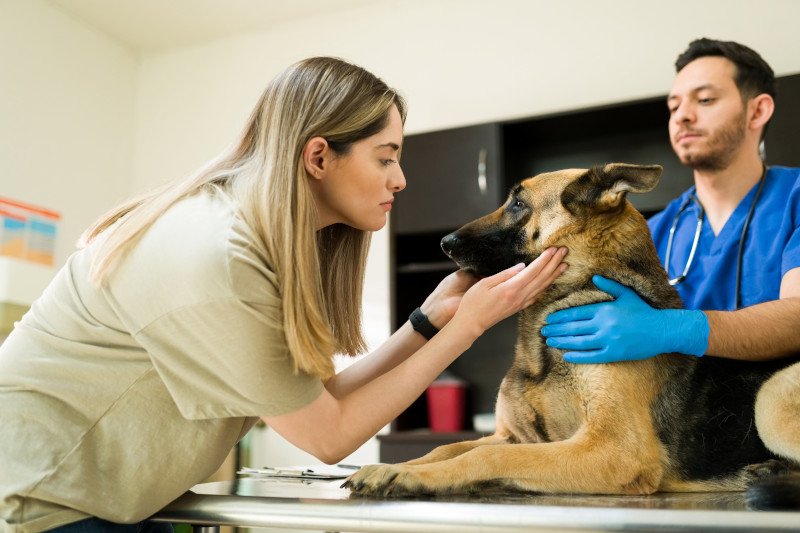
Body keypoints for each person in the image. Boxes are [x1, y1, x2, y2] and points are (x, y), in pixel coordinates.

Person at [0, 56, 570, 533]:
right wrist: (468, 325)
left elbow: (319, 401)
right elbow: (329, 435)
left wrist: (426, 322)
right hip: (41, 503)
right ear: (319, 157)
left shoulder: (248, 241)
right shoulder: (215, 256)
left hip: (100, 501)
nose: (399, 178)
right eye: (387, 156)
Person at [541, 39, 800, 464]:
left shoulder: (795, 198)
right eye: (674, 104)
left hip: (784, 419)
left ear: (758, 111)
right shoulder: (654, 231)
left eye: (705, 99)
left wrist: (675, 329)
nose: (683, 115)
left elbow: (797, 318)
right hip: (700, 444)